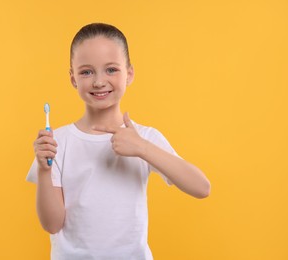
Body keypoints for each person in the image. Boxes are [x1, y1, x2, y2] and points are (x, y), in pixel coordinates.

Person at [26, 22, 211, 260]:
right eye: (86, 72)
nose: (99, 81)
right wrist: (44, 168)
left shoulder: (144, 137)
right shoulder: (57, 142)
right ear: (73, 79)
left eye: (111, 69)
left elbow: (201, 187)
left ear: (129, 73)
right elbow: (52, 224)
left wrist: (142, 148)